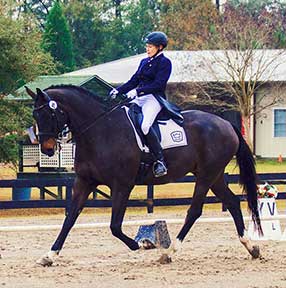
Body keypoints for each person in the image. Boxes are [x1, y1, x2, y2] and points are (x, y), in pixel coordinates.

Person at [109, 31, 183, 178]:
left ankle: (159, 160)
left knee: (145, 125)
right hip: (139, 98)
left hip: (154, 99)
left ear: (160, 47)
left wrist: (138, 92)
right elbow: (134, 80)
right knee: (123, 118)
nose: (147, 49)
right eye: (147, 46)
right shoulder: (144, 62)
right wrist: (118, 90)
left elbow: (158, 84)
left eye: (150, 47)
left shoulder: (165, 63)